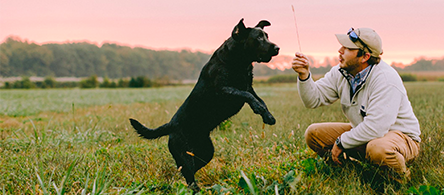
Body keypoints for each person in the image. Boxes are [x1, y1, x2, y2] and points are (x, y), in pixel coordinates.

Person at [291, 27, 421, 182]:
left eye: (347, 48)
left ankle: (401, 183)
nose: (340, 50)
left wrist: (341, 142)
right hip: (368, 134)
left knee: (378, 148)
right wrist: (304, 75)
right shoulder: (340, 72)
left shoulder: (385, 79)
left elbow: (376, 128)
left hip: (401, 138)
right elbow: (312, 100)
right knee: (314, 134)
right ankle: (355, 175)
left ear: (364, 56)